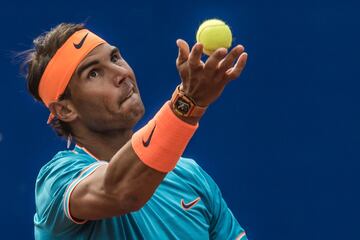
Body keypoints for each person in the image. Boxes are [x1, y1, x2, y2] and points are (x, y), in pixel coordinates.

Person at [22, 22, 248, 239]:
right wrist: (186, 104)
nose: (120, 74)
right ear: (65, 109)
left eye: (115, 58)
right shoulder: (58, 180)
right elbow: (122, 191)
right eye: (93, 73)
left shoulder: (191, 176)